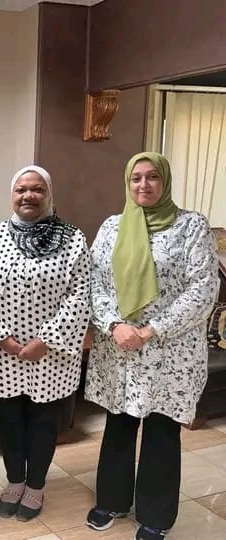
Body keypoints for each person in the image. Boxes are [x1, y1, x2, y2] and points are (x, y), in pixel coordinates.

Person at [85, 152, 219, 540]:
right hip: (119, 346)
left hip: (169, 350)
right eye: (136, 178)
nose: (143, 185)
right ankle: (111, 500)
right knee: (119, 424)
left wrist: (150, 330)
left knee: (161, 430)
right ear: (127, 183)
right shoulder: (112, 227)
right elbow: (94, 282)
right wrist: (114, 324)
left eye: (152, 177)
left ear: (165, 181)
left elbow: (203, 289)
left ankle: (156, 517)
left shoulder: (191, 226)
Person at [0, 165, 90, 521]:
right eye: (21, 189)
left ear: (49, 194)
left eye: (37, 189)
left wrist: (46, 340)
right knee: (9, 420)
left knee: (42, 422)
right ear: (12, 195)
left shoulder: (72, 238)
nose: (29, 196)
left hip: (51, 354)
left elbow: (80, 294)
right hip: (1, 352)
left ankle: (36, 486)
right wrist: (2, 338)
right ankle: (14, 481)